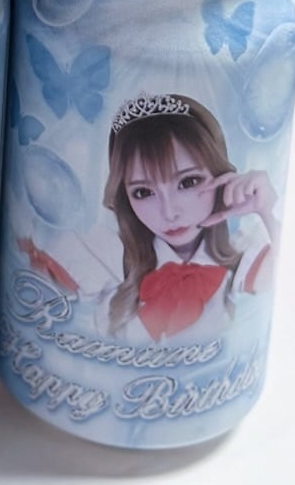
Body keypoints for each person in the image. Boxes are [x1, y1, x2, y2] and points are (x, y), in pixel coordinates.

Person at [101, 94, 278, 341]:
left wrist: (267, 212)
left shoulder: (248, 252)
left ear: (219, 175)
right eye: (143, 192)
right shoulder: (104, 264)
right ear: (125, 198)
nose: (169, 212)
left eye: (188, 182)